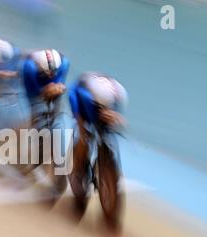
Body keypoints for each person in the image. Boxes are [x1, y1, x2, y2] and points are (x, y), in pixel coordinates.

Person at [68, 72, 127, 211]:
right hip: (82, 102)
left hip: (102, 98)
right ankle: (78, 171)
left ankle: (109, 166)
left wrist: (115, 117)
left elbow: (115, 114)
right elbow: (73, 98)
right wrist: (81, 124)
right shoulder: (84, 96)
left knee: (108, 132)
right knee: (85, 136)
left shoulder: (119, 96)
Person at [20, 49, 72, 199]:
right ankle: (36, 157)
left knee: (59, 118)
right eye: (46, 73)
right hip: (36, 91)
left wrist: (56, 87)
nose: (50, 76)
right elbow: (33, 92)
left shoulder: (64, 63)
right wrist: (47, 90)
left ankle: (58, 154)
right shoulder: (28, 67)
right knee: (39, 120)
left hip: (54, 89)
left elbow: (59, 84)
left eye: (52, 73)